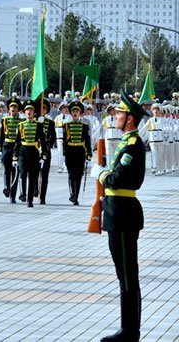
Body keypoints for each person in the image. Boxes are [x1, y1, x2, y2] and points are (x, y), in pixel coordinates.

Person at [98, 92, 149, 342]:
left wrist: (101, 174)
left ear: (130, 119)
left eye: (119, 112)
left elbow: (117, 178)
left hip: (123, 213)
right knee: (124, 276)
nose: (116, 115)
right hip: (116, 211)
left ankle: (130, 332)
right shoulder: (126, 142)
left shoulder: (132, 145)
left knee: (128, 276)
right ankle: (127, 330)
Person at [16, 100, 46, 207]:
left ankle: (30, 200)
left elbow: (43, 141)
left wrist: (43, 155)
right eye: (27, 110)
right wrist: (15, 156)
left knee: (32, 177)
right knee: (22, 174)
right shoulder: (20, 125)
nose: (29, 111)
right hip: (23, 151)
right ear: (24, 112)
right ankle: (23, 193)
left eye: (31, 110)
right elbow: (17, 141)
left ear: (34, 112)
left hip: (34, 151)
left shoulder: (39, 125)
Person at [62, 99, 93, 204]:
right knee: (71, 174)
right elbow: (64, 141)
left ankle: (76, 196)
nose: (75, 113)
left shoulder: (85, 126)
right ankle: (72, 194)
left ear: (80, 113)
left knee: (79, 174)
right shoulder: (66, 125)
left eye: (77, 111)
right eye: (73, 111)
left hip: (80, 151)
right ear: (71, 113)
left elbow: (87, 140)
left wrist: (89, 153)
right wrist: (63, 154)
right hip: (70, 151)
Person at [0, 97, 24, 200]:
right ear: (8, 109)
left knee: (15, 171)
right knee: (7, 170)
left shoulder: (22, 121)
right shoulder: (4, 120)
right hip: (7, 147)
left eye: (15, 107)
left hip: (17, 148)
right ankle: (6, 187)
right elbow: (1, 136)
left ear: (18, 109)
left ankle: (13, 194)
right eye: (11, 107)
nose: (13, 109)